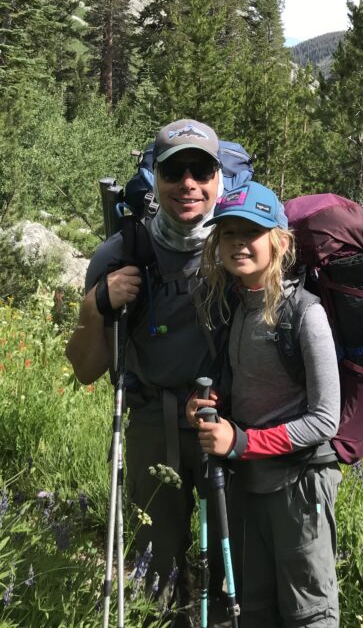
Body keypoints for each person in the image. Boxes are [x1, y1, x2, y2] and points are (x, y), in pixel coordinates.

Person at [66, 118, 233, 626]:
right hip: (150, 422)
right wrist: (96, 304)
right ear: (155, 178)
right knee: (156, 574)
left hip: (227, 425)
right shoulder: (121, 253)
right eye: (174, 171)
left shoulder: (240, 245)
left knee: (233, 570)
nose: (188, 183)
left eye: (201, 170)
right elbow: (86, 369)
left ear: (219, 179)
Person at [186, 181, 341, 627]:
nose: (239, 243)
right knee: (254, 609)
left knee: (309, 612)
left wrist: (242, 442)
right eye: (228, 233)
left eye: (251, 232)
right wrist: (207, 406)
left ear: (279, 241)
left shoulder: (306, 314)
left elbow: (325, 420)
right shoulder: (237, 305)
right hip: (250, 481)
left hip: (300, 485)